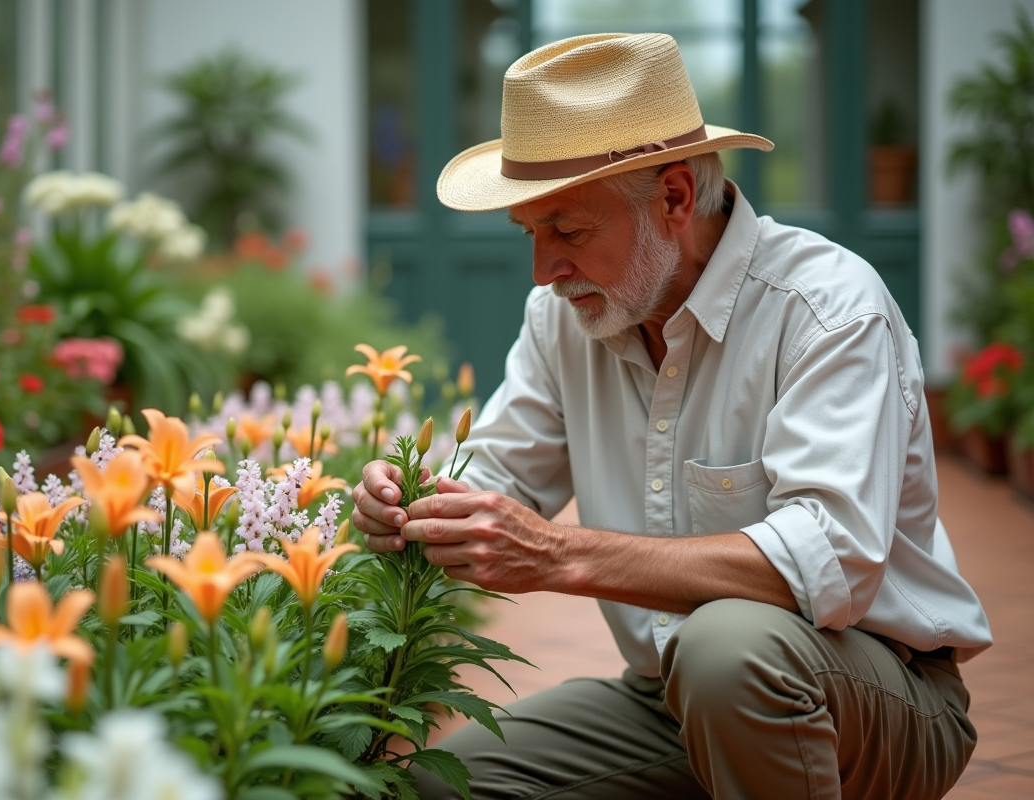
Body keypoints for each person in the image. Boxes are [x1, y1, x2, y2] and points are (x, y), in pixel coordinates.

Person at [351, 33, 993, 800]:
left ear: (676, 198)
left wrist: (557, 554)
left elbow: (831, 563)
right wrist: (411, 500)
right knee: (429, 787)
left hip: (879, 696)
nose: (542, 270)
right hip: (671, 704)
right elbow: (497, 480)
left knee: (728, 649)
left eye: (569, 230)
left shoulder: (827, 310)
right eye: (530, 233)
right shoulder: (564, 318)